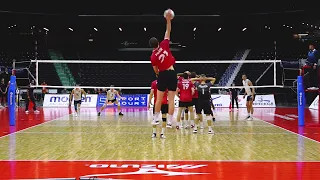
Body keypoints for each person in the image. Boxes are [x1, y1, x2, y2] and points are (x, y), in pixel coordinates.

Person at [149, 9, 176, 126]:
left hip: (163, 74)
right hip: (172, 72)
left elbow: (155, 69)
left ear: (151, 46)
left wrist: (157, 74)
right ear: (158, 43)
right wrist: (168, 20)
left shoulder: (153, 56)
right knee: (171, 99)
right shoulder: (164, 44)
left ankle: (155, 119)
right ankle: (170, 122)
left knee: (159, 98)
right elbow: (168, 31)